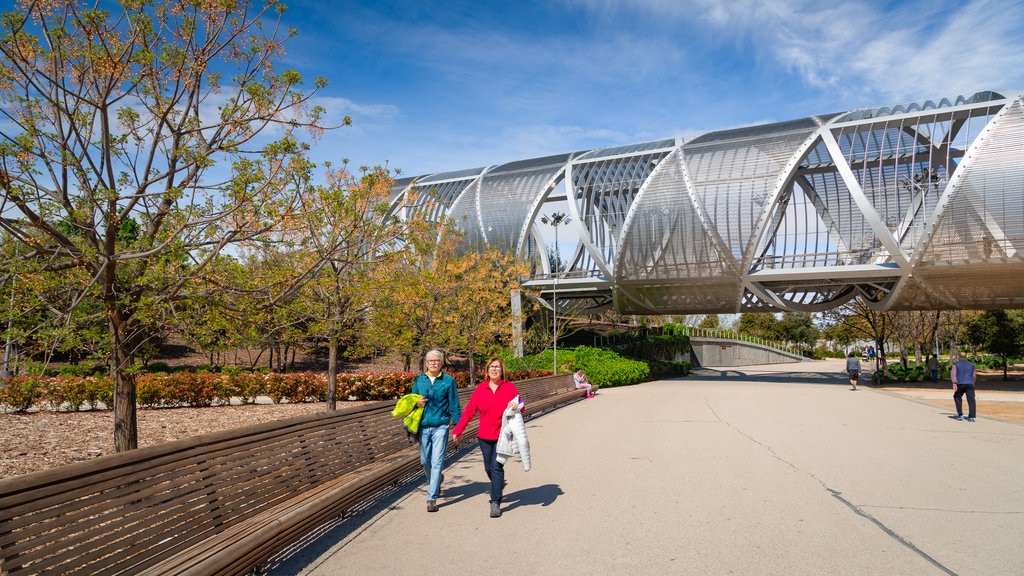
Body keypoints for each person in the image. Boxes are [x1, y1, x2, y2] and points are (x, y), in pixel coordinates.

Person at [452, 357, 523, 518]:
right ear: (487, 370)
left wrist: (517, 404)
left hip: (502, 435)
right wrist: (458, 430)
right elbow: (470, 411)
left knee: (496, 467)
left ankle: (495, 501)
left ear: (502, 370)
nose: (494, 369)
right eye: (491, 366)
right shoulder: (480, 389)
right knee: (488, 468)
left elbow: (520, 403)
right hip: (484, 435)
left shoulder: (509, 387)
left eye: (497, 367)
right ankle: (498, 486)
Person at [411, 350, 462, 513]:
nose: (433, 363)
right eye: (430, 361)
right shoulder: (419, 380)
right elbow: (409, 402)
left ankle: (431, 497)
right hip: (424, 426)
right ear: (426, 363)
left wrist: (458, 428)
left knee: (437, 460)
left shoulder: (448, 381)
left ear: (441, 363)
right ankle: (437, 480)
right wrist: (416, 403)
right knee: (425, 461)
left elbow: (454, 406)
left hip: (441, 426)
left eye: (437, 360)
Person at [951, 352, 977, 422]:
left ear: (959, 356)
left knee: (957, 397)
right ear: (966, 357)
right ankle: (971, 417)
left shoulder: (956, 365)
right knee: (971, 399)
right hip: (970, 383)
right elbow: (974, 375)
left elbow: (954, 375)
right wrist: (972, 382)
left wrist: (954, 383)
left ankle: (960, 414)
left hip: (960, 383)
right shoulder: (972, 365)